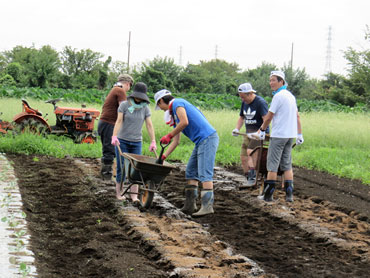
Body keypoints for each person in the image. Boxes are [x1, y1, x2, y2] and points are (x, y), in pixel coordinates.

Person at [154, 89, 219, 217]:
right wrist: (164, 156)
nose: (161, 109)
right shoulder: (174, 115)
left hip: (207, 138)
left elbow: (185, 122)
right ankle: (190, 205)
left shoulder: (178, 103)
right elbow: (176, 141)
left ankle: (207, 206)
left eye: (159, 105)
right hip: (200, 141)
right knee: (190, 171)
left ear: (162, 101)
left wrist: (169, 135)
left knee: (204, 172)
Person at [258, 71, 304, 202]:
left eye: (273, 80)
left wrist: (262, 129)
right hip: (290, 135)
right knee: (287, 165)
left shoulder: (278, 97)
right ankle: (289, 196)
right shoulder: (291, 96)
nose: (271, 83)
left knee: (272, 165)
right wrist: (299, 134)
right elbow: (297, 116)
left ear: (281, 81)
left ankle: (268, 196)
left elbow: (269, 116)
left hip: (278, 135)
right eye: (270, 80)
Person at [111, 82, 157, 201]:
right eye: (138, 96)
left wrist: (153, 141)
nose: (139, 99)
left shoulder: (145, 108)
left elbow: (149, 125)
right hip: (122, 140)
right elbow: (119, 121)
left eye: (142, 97)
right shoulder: (124, 105)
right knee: (122, 167)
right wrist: (114, 135)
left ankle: (134, 195)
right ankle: (119, 193)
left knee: (137, 169)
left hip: (137, 142)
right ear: (133, 95)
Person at [232, 83, 269, 188]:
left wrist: (259, 132)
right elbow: (241, 117)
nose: (242, 100)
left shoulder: (260, 103)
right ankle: (248, 177)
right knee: (243, 156)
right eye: (241, 97)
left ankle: (253, 178)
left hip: (260, 134)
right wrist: (237, 129)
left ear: (250, 94)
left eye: (244, 97)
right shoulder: (244, 103)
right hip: (248, 133)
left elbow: (266, 119)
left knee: (250, 152)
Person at [98, 74, 134, 180]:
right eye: (130, 87)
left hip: (105, 123)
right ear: (128, 84)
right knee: (109, 150)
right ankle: (106, 177)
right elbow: (124, 108)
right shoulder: (120, 90)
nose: (128, 89)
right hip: (109, 123)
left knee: (108, 148)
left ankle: (106, 174)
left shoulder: (114, 89)